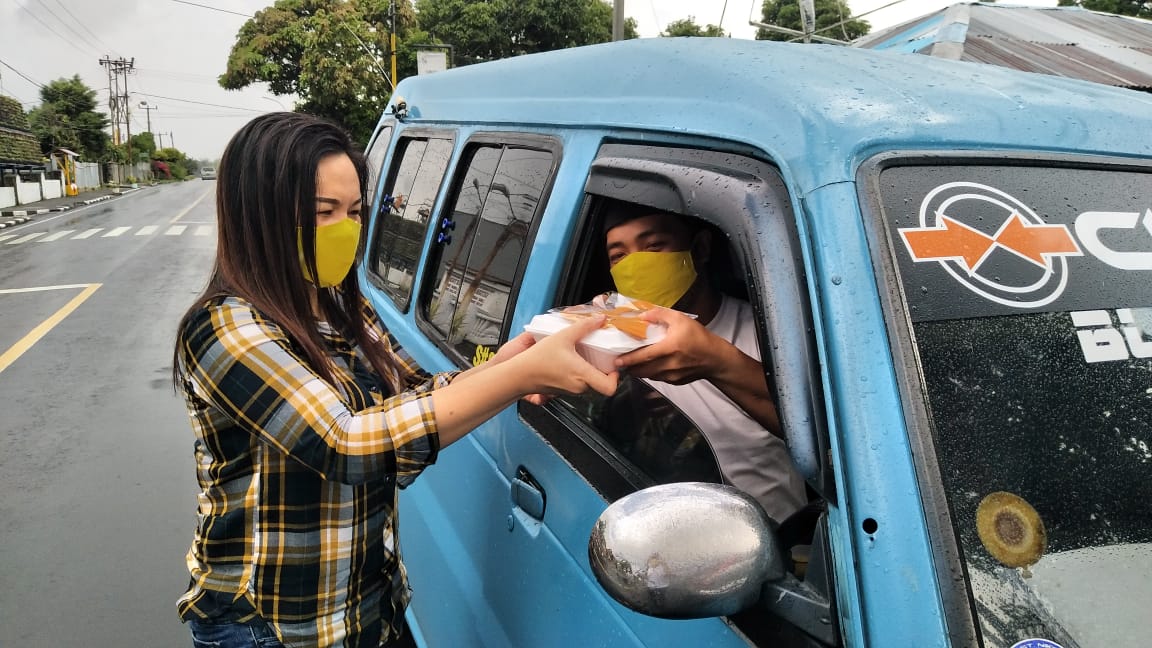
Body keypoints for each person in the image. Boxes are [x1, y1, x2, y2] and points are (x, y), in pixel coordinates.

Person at [171, 112, 617, 648]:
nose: (346, 229)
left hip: (366, 608)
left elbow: (414, 393)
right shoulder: (225, 327)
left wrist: (511, 361)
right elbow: (345, 444)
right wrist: (521, 375)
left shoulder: (338, 303)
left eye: (356, 211)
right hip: (274, 626)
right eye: (323, 212)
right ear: (259, 218)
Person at [602, 205, 807, 523]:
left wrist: (717, 362)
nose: (635, 266)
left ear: (699, 249)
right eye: (619, 256)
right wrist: (632, 405)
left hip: (775, 536)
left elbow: (823, 439)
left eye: (654, 246)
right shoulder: (615, 340)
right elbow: (611, 433)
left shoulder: (772, 335)